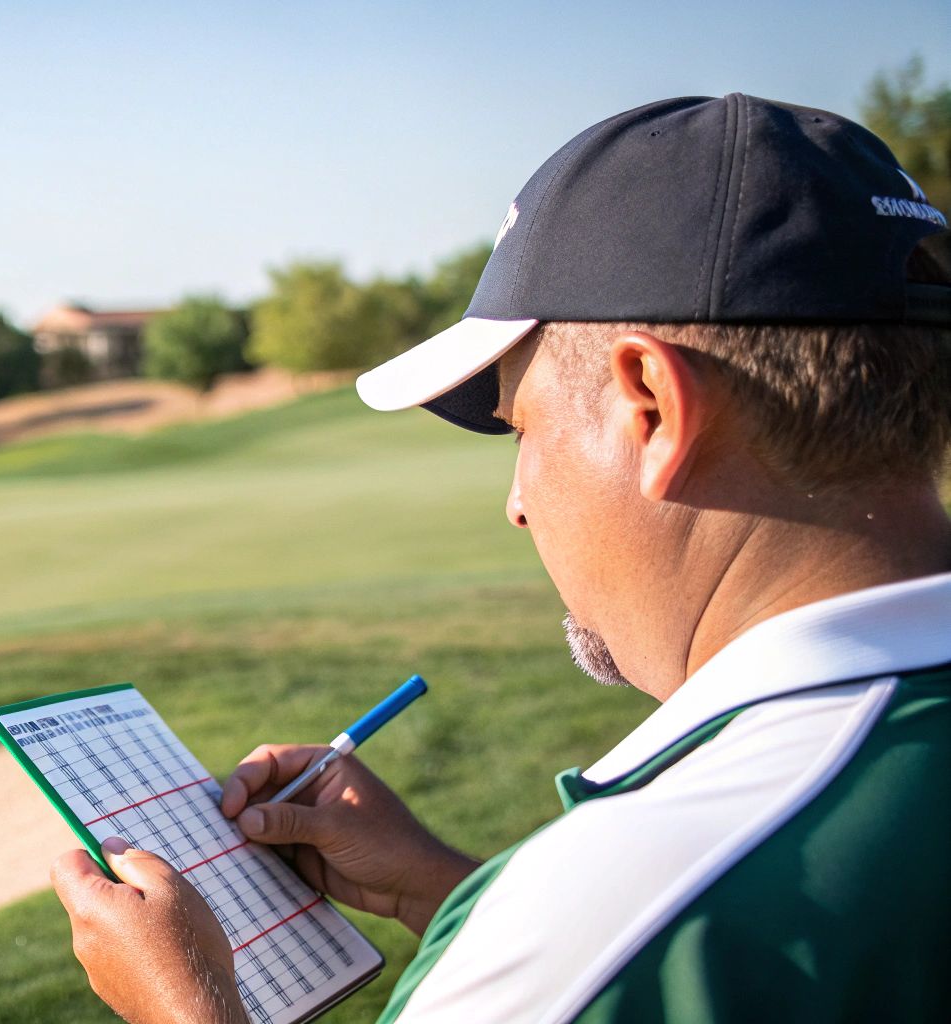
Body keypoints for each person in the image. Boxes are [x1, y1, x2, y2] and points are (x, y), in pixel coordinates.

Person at [51, 94, 951, 1022]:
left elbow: (623, 945)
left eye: (521, 424)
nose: (517, 503)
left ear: (650, 406)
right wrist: (449, 897)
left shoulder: (621, 910)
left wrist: (185, 1008)